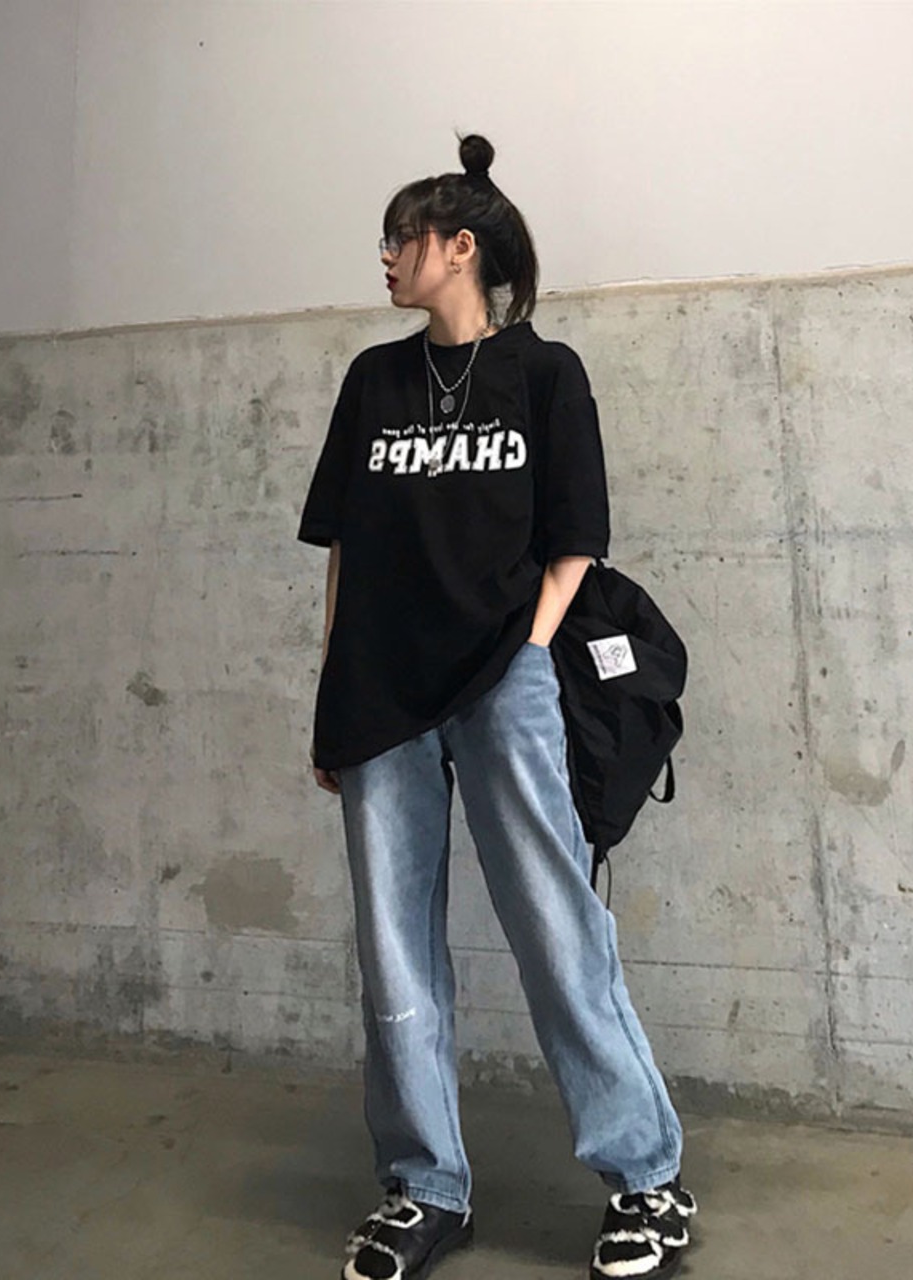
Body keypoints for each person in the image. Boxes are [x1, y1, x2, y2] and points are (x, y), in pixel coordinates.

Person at [298, 133, 696, 1280]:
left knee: (555, 926)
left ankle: (645, 1177)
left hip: (506, 678)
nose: (385, 256)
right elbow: (344, 547)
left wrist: (522, 652)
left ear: (459, 247)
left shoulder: (545, 373)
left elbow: (574, 541)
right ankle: (423, 1185)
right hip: (378, 690)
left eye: (402, 237)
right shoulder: (372, 382)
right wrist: (331, 686)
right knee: (392, 949)